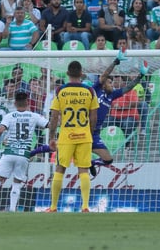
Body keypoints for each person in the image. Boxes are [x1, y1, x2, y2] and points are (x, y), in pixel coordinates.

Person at [0, 92, 49, 212]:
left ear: (14, 103)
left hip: (9, 152)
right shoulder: (34, 116)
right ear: (27, 102)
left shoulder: (10, 116)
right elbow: (49, 125)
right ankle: (12, 209)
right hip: (24, 155)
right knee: (17, 183)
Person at [46, 60, 99, 213]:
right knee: (83, 170)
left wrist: (51, 137)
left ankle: (54, 206)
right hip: (84, 136)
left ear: (68, 73)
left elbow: (54, 117)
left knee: (60, 169)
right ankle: (85, 206)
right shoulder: (89, 91)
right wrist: (90, 132)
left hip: (66, 136)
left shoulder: (60, 91)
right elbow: (93, 117)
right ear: (81, 73)